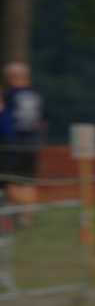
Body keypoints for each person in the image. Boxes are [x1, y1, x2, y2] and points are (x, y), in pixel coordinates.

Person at [0, 62, 44, 207]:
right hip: (31, 145)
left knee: (9, 182)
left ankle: (15, 214)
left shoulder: (8, 95)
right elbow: (42, 121)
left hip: (11, 146)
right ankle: (27, 218)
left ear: (9, 77)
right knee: (28, 182)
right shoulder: (35, 95)